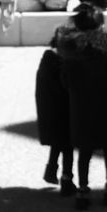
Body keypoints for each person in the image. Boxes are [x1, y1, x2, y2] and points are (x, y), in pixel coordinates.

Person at [53, 3, 107, 210]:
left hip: (80, 108)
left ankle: (83, 191)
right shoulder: (106, 54)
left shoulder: (70, 55)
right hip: (105, 107)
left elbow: (64, 82)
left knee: (84, 151)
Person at [35, 45, 75, 195]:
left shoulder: (47, 60)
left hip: (51, 109)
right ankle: (66, 179)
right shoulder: (65, 62)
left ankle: (51, 170)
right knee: (67, 145)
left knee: (59, 140)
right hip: (66, 107)